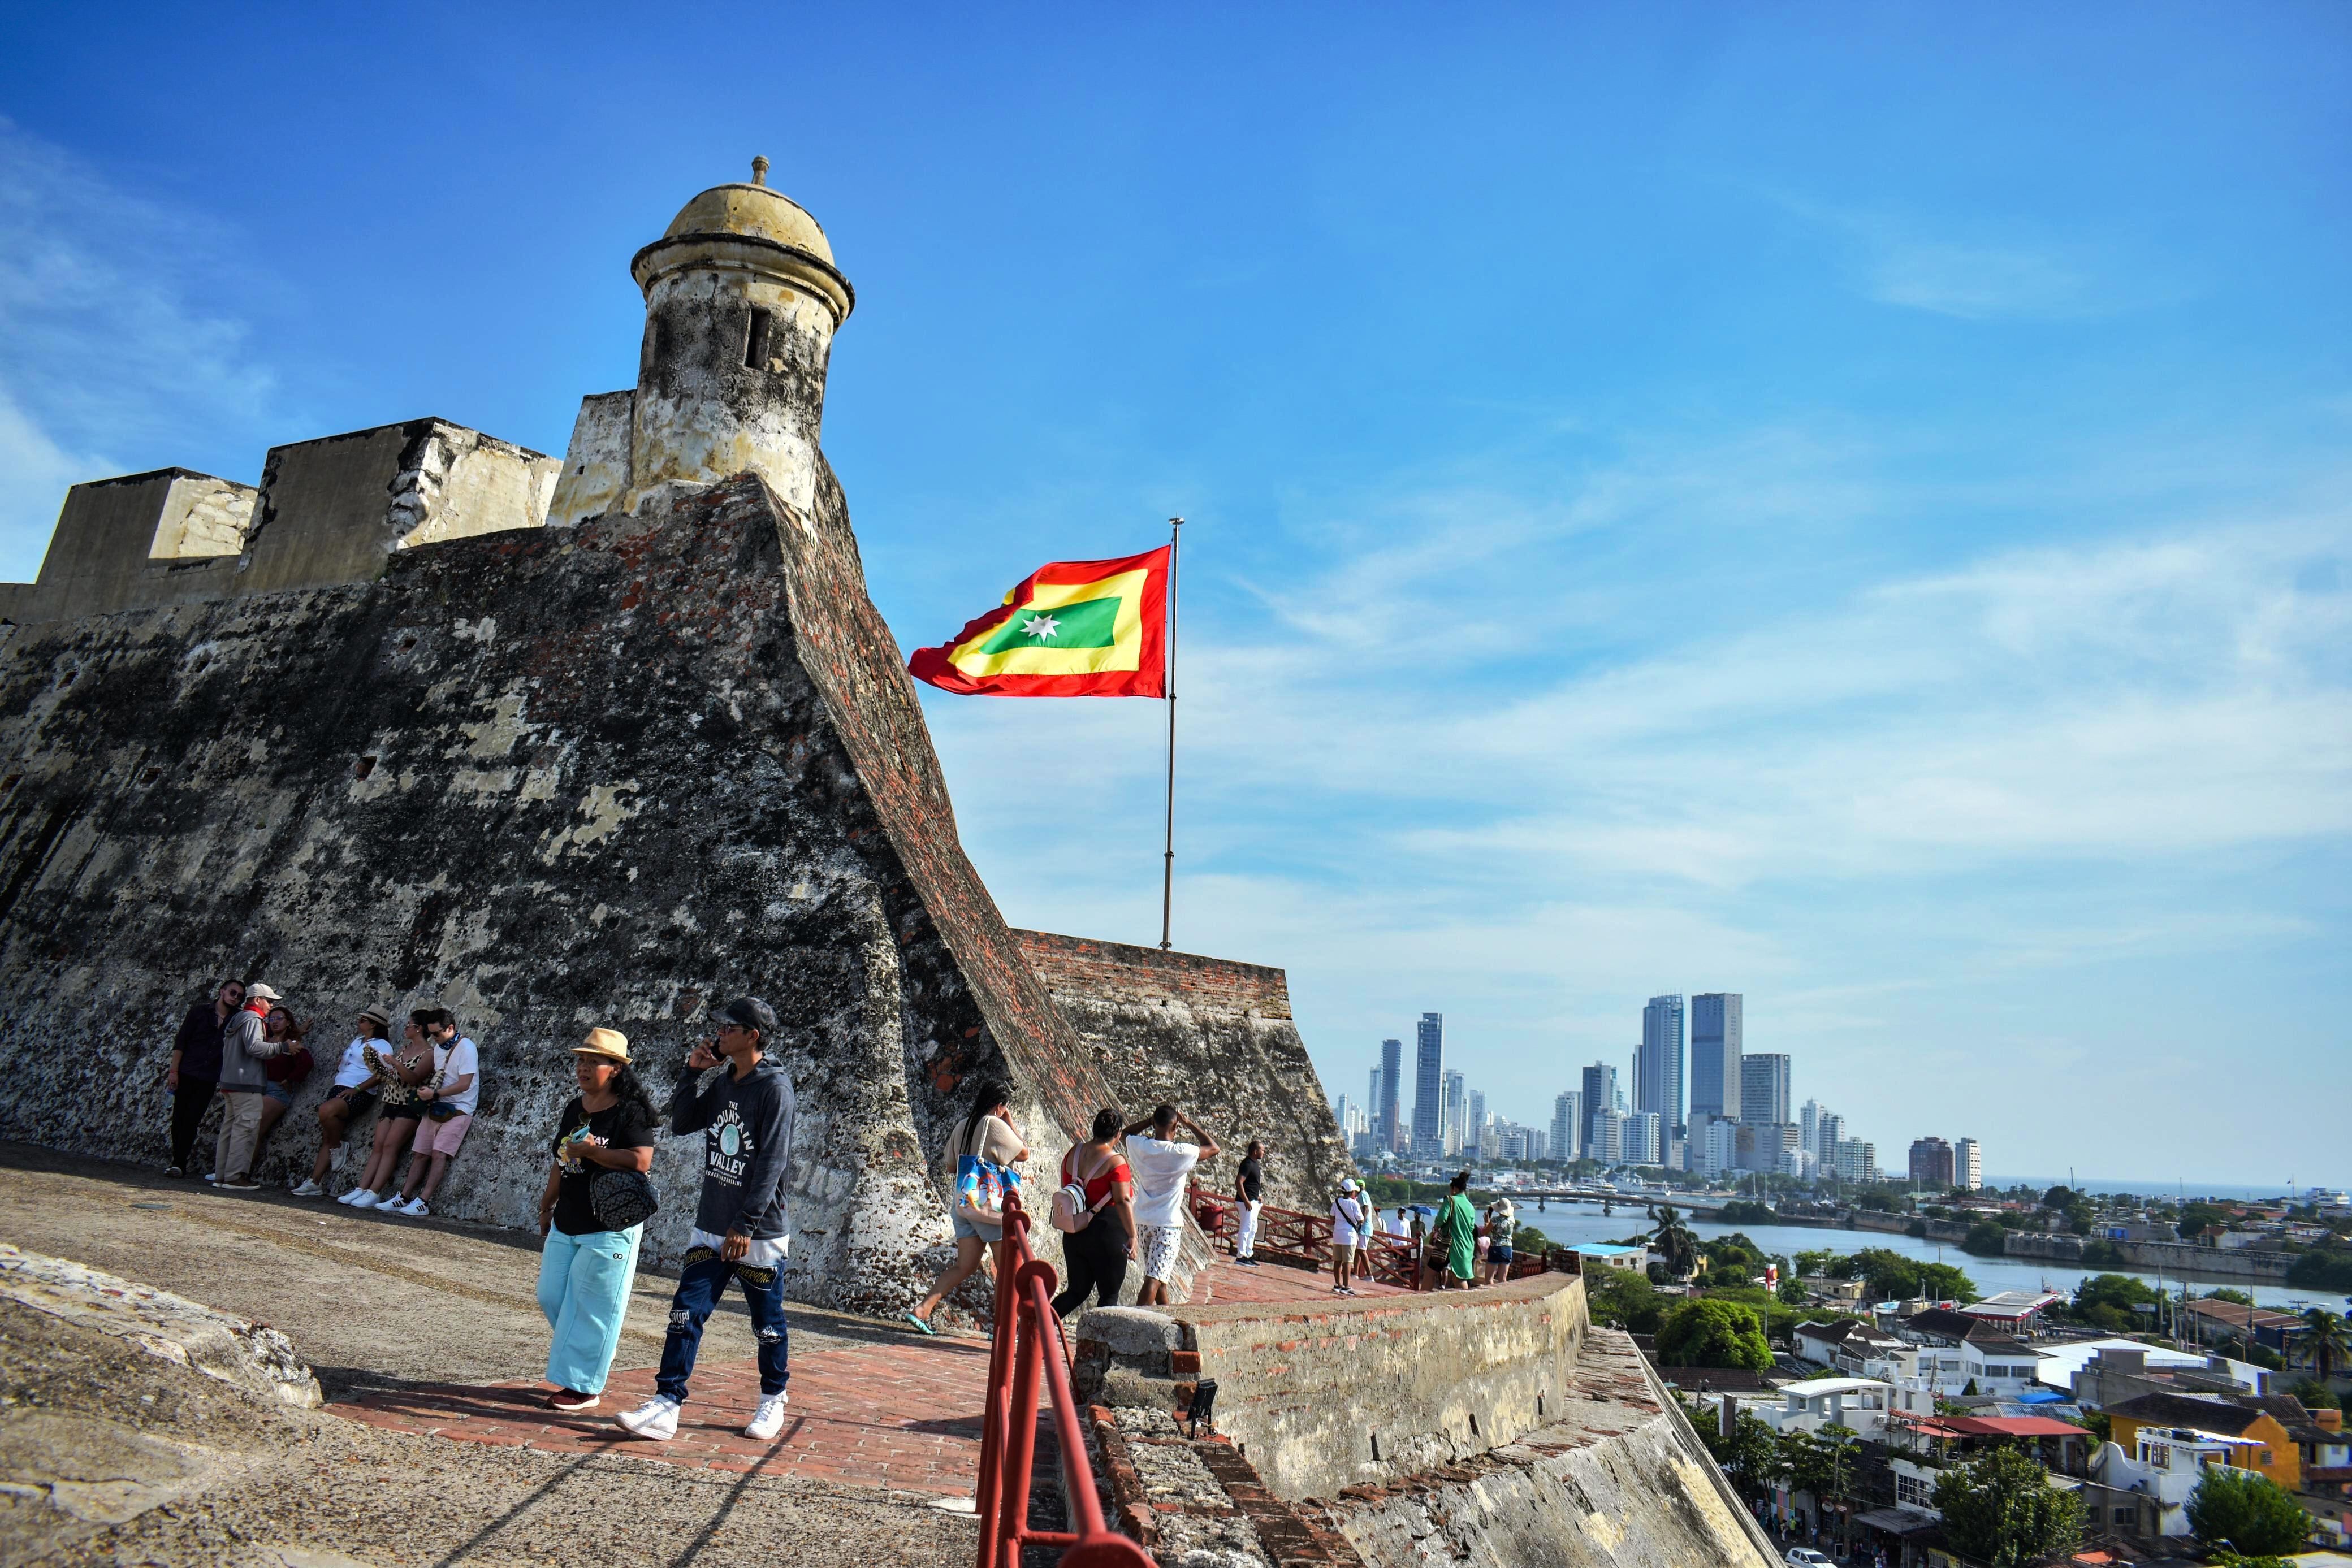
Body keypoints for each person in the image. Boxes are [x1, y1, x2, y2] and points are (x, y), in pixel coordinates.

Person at [617, 997, 796, 1445]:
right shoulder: (724, 1083)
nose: (718, 1034)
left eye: (727, 1028)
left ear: (752, 1036)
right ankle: (666, 1404)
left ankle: (773, 1396)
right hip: (711, 1223)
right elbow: (681, 1123)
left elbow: (772, 1162)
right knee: (685, 1313)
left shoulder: (774, 1089)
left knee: (767, 1323)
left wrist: (745, 1224)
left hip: (757, 1231)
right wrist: (692, 1073)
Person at [536, 1027, 656, 1414]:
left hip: (610, 1223)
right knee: (551, 1295)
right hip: (568, 1217)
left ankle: (584, 1388)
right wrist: (546, 1205)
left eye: (593, 1062)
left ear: (616, 1069)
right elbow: (561, 1158)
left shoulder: (630, 1111)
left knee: (592, 1308)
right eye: (581, 1061)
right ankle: (597, 1347)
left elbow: (641, 1161)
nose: (583, 1068)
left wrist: (593, 1152)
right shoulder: (576, 1108)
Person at [906, 1080, 1029, 1333]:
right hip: (988, 1208)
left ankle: (922, 1309)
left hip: (964, 1206)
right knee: (1007, 1270)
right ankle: (1003, 1330)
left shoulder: (963, 1124)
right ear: (1000, 1105)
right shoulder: (994, 1124)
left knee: (965, 1266)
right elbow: (1024, 1154)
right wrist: (1008, 1121)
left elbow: (951, 1167)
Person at [382, 1007, 478, 1218]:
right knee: (420, 1153)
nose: (433, 1038)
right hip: (436, 1105)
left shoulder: (467, 1048)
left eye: (436, 1034)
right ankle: (404, 1196)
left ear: (450, 1028)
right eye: (431, 1034)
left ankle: (424, 1201)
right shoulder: (439, 1049)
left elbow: (465, 1084)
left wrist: (435, 1094)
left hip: (460, 1108)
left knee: (439, 1154)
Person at [1122, 1104, 1219, 1307]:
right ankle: (1134, 1320)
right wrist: (1189, 1123)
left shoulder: (1142, 1147)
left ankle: (1170, 1319)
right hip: (1167, 1224)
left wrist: (1149, 1121)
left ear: (1155, 1124)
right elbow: (1213, 1148)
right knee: (1154, 1279)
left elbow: (1125, 1134)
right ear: (1175, 1127)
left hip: (1143, 1221)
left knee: (1160, 1278)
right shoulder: (1180, 1153)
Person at [295, 1004, 394, 1197]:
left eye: (363, 1020)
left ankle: (338, 1146)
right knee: (327, 1135)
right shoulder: (357, 1041)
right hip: (340, 1086)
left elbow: (382, 1074)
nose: (359, 1022)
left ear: (373, 1024)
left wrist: (357, 1089)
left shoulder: (382, 1046)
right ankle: (315, 1181)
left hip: (359, 1092)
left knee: (326, 1111)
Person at [343, 1012, 434, 1208]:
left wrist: (395, 1063)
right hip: (391, 1100)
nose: (406, 1028)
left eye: (409, 1025)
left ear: (419, 1028)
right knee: (378, 1146)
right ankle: (362, 1188)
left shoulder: (429, 1053)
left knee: (391, 1147)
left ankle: (375, 1191)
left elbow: (414, 1079)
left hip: (408, 1105)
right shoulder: (406, 1048)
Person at [1051, 1108, 1135, 1318]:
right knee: (1109, 1296)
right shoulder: (1116, 1162)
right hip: (1107, 1233)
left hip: (1075, 1230)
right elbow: (1123, 1200)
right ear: (1118, 1134)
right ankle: (1100, 1339)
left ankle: (1035, 1324)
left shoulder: (1074, 1153)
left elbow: (1068, 1188)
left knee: (1076, 1292)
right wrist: (1132, 1235)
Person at [212, 982, 289, 1191]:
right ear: (257, 1000)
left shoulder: (237, 1017)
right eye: (269, 1001)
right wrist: (283, 1047)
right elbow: (254, 1047)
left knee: (229, 1130)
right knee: (245, 1130)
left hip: (230, 1081)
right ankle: (235, 1176)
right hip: (247, 1083)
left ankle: (221, 1175)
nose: (271, 1005)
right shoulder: (254, 1019)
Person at [165, 980, 243, 1177]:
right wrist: (174, 1072)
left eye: (240, 996)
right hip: (188, 1071)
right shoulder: (199, 1012)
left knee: (193, 1119)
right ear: (222, 991)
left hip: (209, 1077)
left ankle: (179, 1163)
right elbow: (181, 1042)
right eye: (233, 993)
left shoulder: (237, 1018)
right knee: (179, 1118)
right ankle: (177, 1160)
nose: (235, 998)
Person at [252, 1006, 312, 1169]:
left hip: (276, 1091)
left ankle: (239, 1172)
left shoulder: (292, 1044)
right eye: (272, 1019)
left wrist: (290, 1079)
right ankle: (229, 1170)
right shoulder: (265, 1040)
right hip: (257, 1089)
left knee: (254, 1129)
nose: (275, 1022)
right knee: (242, 1128)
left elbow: (307, 1063)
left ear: (288, 1022)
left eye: (279, 1019)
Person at [1432, 1172, 1478, 1290]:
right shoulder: (1470, 1206)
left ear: (1455, 1189)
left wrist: (1436, 1226)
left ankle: (1422, 1296)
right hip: (1466, 1245)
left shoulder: (1450, 1200)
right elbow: (1471, 1228)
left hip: (1448, 1243)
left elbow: (1442, 1218)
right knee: (1460, 1276)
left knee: (1431, 1272)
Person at [1329, 1177, 1368, 1296]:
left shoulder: (1337, 1202)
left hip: (1338, 1234)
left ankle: (1338, 1284)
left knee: (1337, 1261)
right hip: (1349, 1236)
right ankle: (1346, 1287)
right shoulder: (1354, 1204)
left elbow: (1332, 1216)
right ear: (1352, 1192)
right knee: (1347, 1262)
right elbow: (1361, 1219)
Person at [1231, 1141, 1266, 1267]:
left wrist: (1258, 1196)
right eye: (1262, 1150)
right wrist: (1246, 1200)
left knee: (1253, 1228)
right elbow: (1239, 1182)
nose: (1264, 1152)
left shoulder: (1254, 1164)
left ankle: (1248, 1254)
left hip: (1253, 1201)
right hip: (1246, 1202)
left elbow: (1251, 1184)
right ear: (1255, 1151)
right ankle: (1241, 1256)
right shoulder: (1247, 1164)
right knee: (1246, 1228)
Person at [1484, 1194, 1517, 1284]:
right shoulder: (1512, 1220)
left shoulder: (1495, 1220)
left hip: (1496, 1248)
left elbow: (1484, 1232)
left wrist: (1487, 1222)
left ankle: (1492, 1293)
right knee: (1503, 1280)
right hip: (1508, 1249)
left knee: (1489, 1279)